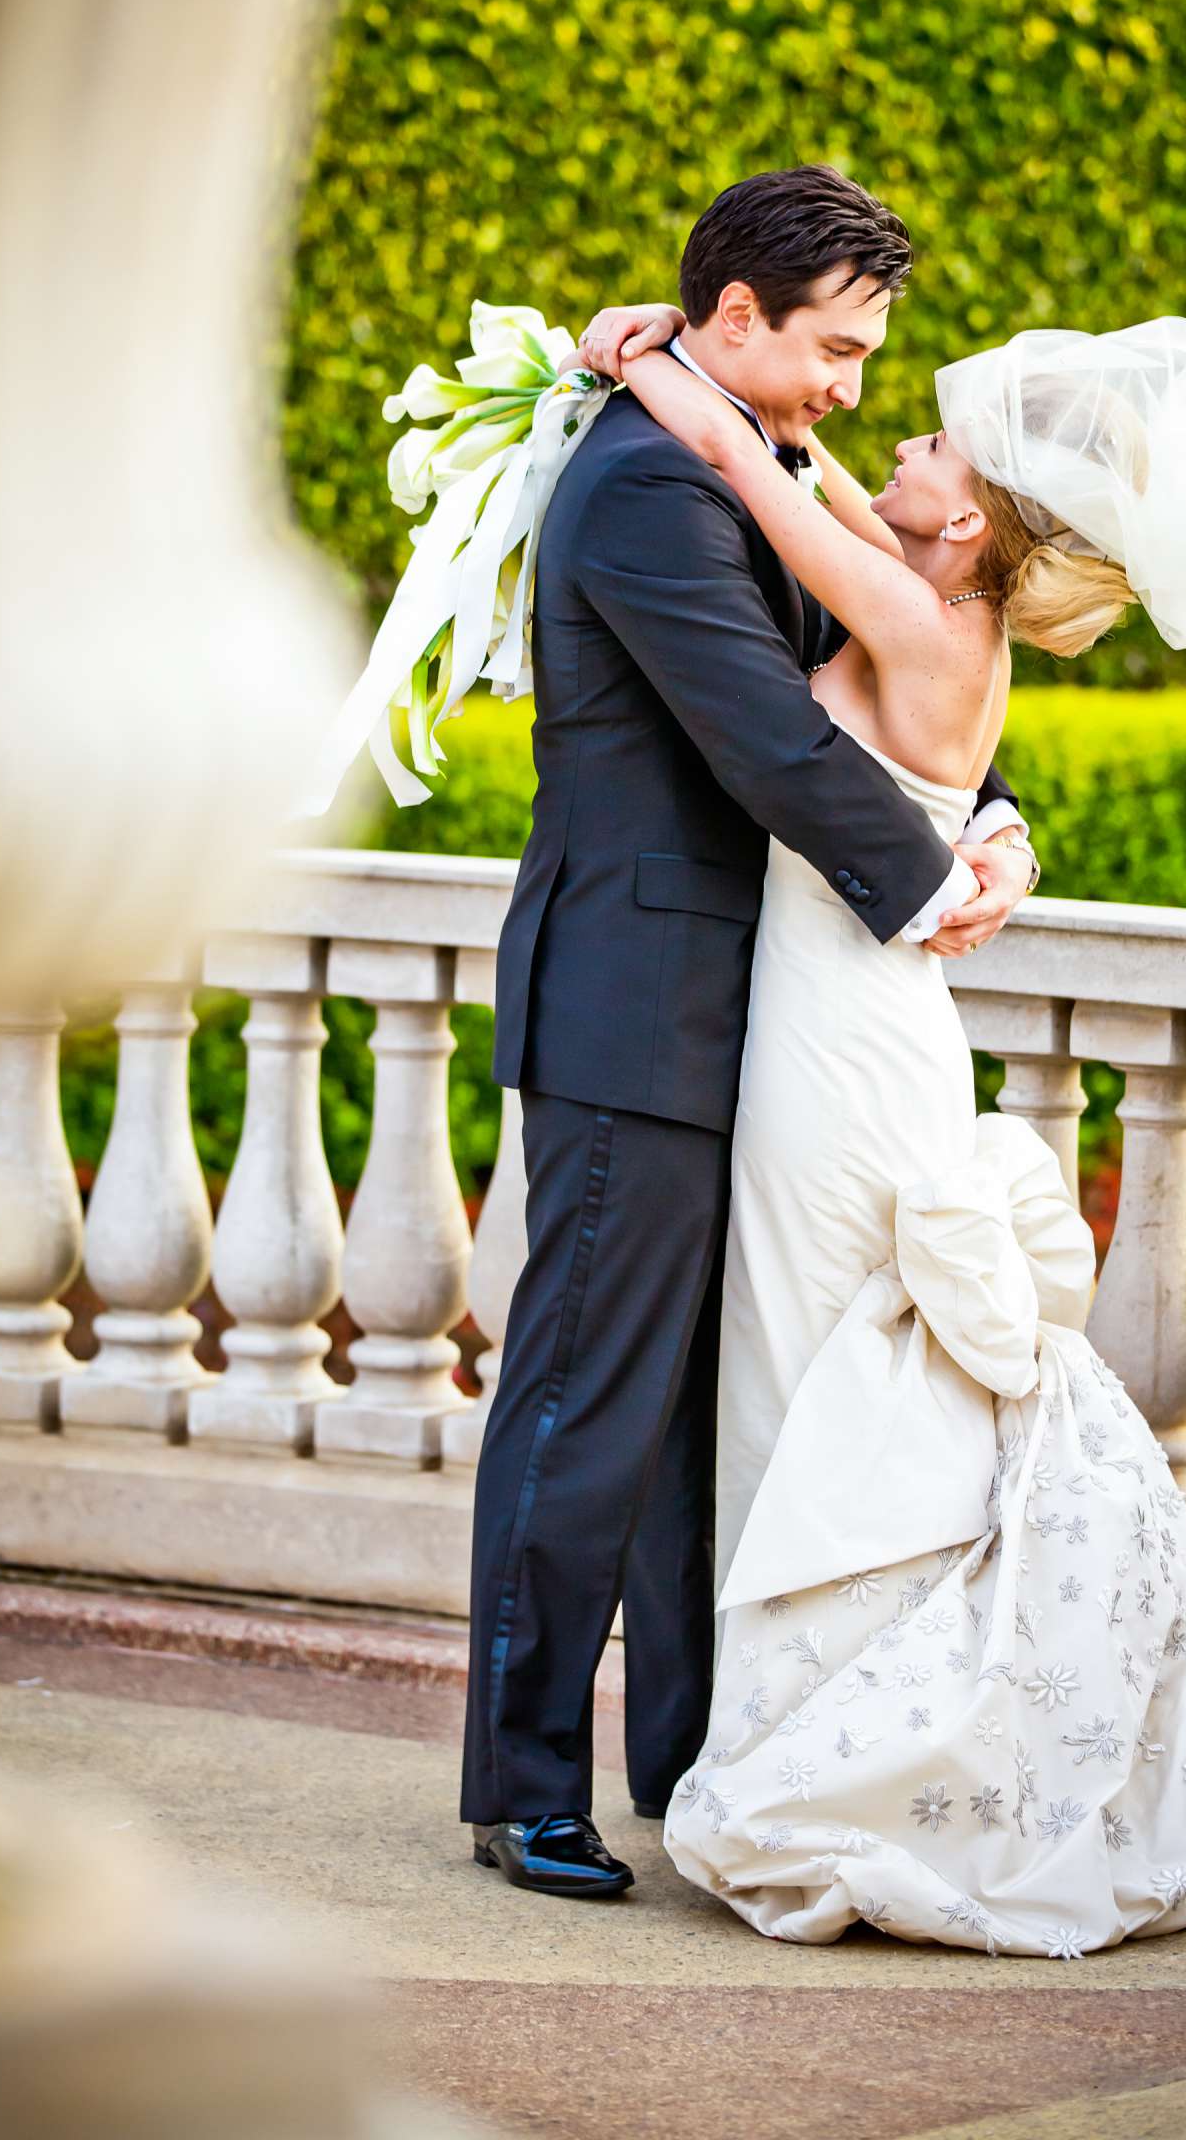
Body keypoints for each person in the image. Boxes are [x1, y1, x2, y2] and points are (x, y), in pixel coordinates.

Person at [574, 300, 1186, 1956]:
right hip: (846, 1024)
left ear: (976, 517)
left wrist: (634, 360)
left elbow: (747, 458)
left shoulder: (923, 623)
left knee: (811, 1355)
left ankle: (829, 1744)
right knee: (812, 1353)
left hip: (836, 1047)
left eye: (931, 446)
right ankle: (800, 1720)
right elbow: (812, 465)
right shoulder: (932, 585)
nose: (896, 448)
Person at [460, 168, 1041, 1901]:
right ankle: (524, 1781)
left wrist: (992, 816)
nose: (858, 389)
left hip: (759, 1024)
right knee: (586, 1401)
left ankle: (700, 1758)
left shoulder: (760, 460)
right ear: (733, 321)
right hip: (639, 1014)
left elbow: (885, 691)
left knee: (705, 1427)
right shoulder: (648, 486)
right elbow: (763, 751)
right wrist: (931, 891)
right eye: (839, 350)